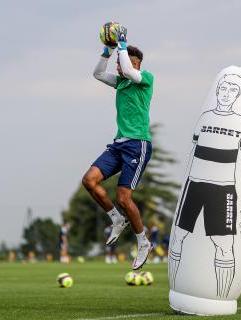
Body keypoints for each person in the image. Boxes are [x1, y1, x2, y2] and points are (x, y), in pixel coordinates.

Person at [168, 74, 241, 298]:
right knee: (178, 236)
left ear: (237, 95)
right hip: (194, 185)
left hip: (223, 189)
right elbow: (192, 153)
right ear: (217, 91)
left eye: (232, 91)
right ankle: (178, 290)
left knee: (224, 245)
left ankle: (221, 297)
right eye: (223, 89)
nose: (226, 94)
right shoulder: (205, 118)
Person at [82, 26, 154, 270]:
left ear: (133, 64)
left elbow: (132, 73)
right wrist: (108, 50)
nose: (117, 69)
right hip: (118, 144)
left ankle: (143, 242)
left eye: (121, 64)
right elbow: (98, 74)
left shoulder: (145, 79)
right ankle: (116, 219)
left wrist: (122, 46)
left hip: (138, 145)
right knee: (89, 181)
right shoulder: (121, 83)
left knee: (124, 198)